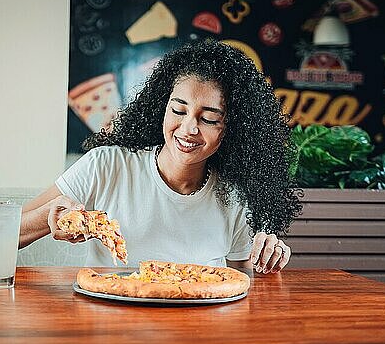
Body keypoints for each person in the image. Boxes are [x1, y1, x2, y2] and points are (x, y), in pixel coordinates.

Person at [19, 39, 302, 274]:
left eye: (209, 119)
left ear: (233, 129)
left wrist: (268, 260)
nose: (189, 128)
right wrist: (50, 216)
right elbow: (6, 233)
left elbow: (241, 280)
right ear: (161, 108)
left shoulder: (234, 195)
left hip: (199, 334)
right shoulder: (106, 165)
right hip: (109, 328)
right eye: (179, 111)